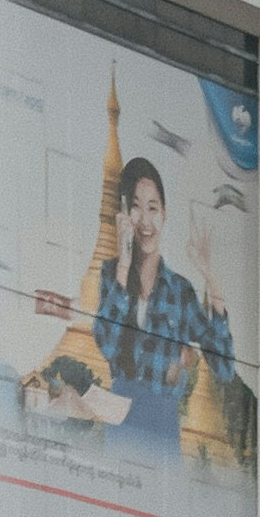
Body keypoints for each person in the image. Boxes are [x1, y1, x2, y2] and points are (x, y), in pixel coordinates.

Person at [92, 156, 240, 394]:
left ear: (164, 212)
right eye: (136, 207)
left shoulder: (181, 292)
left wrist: (212, 279)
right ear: (124, 213)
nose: (145, 221)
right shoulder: (112, 274)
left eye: (152, 208)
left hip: (162, 421)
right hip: (120, 418)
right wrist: (124, 264)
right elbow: (106, 345)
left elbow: (224, 368)